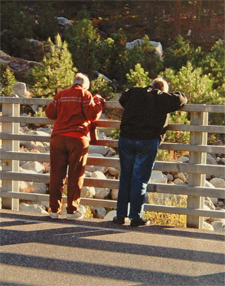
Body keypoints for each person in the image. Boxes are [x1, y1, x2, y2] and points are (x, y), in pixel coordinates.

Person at [113, 78, 187, 227]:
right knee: (139, 179)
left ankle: (120, 215)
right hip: (147, 141)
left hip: (126, 138)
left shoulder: (134, 92)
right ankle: (135, 216)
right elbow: (181, 98)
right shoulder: (162, 98)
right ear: (162, 89)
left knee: (125, 177)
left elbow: (122, 98)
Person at [45, 73, 105, 220]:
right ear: (85, 85)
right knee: (75, 175)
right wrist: (98, 101)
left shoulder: (61, 95)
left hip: (58, 138)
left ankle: (54, 210)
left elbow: (49, 113)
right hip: (77, 139)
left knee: (56, 175)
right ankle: (72, 210)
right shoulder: (85, 94)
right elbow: (92, 114)